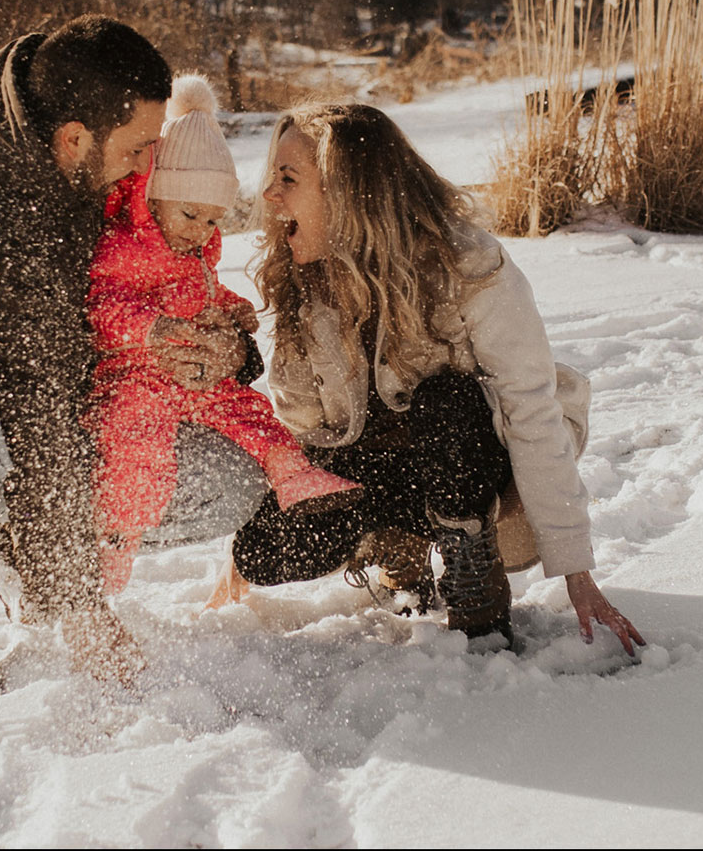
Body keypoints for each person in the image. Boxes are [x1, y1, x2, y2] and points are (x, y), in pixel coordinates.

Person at [0, 16, 261, 685]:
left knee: (236, 474)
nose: (148, 163)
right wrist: (80, 605)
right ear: (74, 138)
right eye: (138, 148)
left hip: (64, 407)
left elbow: (159, 277)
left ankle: (34, 549)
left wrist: (218, 343)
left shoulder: (86, 173)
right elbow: (38, 415)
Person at [229, 103, 644, 655]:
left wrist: (576, 571)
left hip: (477, 461)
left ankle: (470, 559)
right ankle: (396, 542)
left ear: (349, 192)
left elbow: (530, 407)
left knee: (445, 400)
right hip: (386, 474)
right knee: (260, 548)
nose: (269, 196)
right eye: (272, 177)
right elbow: (302, 425)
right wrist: (267, 517)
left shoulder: (467, 264)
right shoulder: (306, 277)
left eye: (289, 178)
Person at [86, 76, 360, 594]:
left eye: (213, 220)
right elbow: (102, 306)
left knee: (250, 411)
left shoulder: (195, 251)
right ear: (155, 196)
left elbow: (206, 293)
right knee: (137, 451)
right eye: (190, 214)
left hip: (194, 376)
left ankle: (293, 475)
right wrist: (152, 328)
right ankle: (117, 538)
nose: (201, 230)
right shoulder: (124, 247)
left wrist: (234, 315)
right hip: (136, 378)